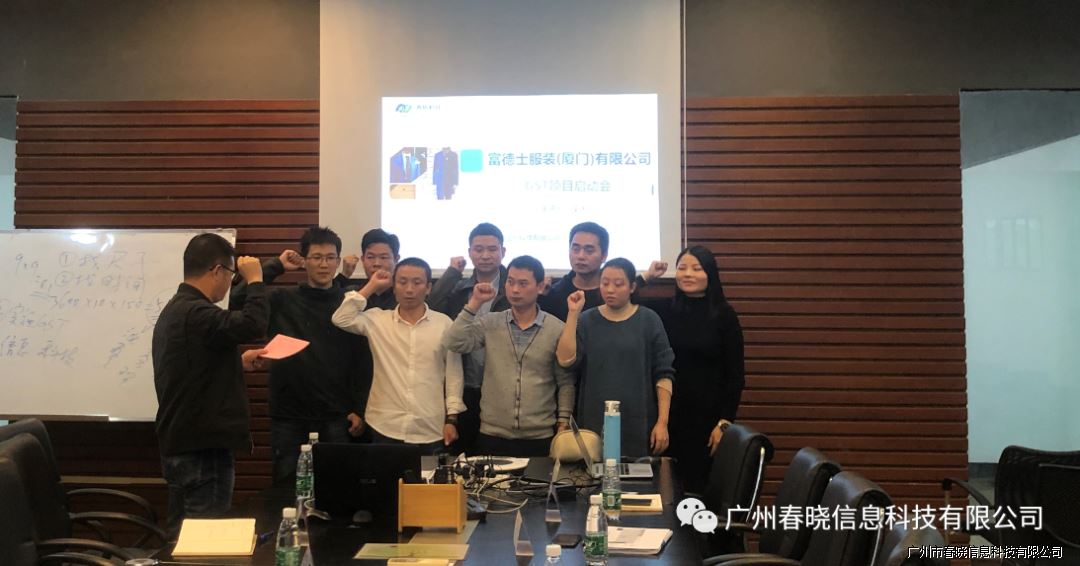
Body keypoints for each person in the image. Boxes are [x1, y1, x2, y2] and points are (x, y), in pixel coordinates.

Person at [152, 233, 268, 537]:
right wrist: (256, 280)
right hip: (204, 451)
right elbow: (253, 324)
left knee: (180, 540)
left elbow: (191, 369)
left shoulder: (175, 310)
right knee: (204, 541)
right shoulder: (198, 312)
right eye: (230, 274)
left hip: (181, 442)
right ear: (217, 271)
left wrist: (237, 362)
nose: (230, 283)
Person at [232, 226, 369, 483]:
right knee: (287, 487)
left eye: (330, 257)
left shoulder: (349, 303)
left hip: (337, 415)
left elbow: (363, 361)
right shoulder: (282, 300)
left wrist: (359, 408)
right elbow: (233, 301)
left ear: (338, 261)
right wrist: (276, 266)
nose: (324, 264)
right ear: (304, 261)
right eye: (316, 257)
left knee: (338, 488)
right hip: (289, 416)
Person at [442, 255, 574, 457]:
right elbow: (454, 341)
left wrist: (563, 422)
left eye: (523, 284)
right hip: (492, 435)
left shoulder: (556, 328)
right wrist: (474, 303)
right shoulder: (490, 322)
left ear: (540, 287)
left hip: (540, 436)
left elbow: (565, 381)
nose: (515, 289)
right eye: (510, 282)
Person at [638, 246, 745, 493]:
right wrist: (647, 276)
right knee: (665, 488)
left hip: (707, 420)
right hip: (666, 415)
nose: (688, 274)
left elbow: (736, 375)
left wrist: (724, 423)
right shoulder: (665, 310)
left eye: (696, 269)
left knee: (697, 489)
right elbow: (624, 297)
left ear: (710, 275)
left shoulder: (724, 316)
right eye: (682, 268)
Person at [332, 258, 464, 453]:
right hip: (384, 424)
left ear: (428, 288)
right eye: (402, 282)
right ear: (393, 287)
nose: (409, 289)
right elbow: (341, 318)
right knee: (385, 474)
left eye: (417, 282)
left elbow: (454, 375)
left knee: (429, 474)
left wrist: (452, 418)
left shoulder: (444, 324)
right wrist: (372, 285)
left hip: (429, 425)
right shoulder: (377, 320)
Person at [556, 258, 675, 457]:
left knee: (638, 474)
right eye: (605, 283)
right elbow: (565, 361)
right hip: (594, 420)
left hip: (638, 421)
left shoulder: (649, 320)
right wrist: (573, 314)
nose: (610, 289)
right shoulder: (586, 320)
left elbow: (664, 374)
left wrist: (662, 422)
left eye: (618, 284)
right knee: (593, 472)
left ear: (632, 287)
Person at [429, 222, 509, 454]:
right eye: (479, 249)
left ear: (503, 251)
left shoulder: (512, 288)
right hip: (465, 385)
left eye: (492, 249)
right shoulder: (459, 288)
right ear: (470, 252)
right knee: (463, 455)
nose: (485, 255)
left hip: (500, 385)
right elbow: (432, 306)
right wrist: (452, 273)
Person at [540, 222, 609, 321]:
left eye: (589, 250)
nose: (581, 256)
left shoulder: (612, 294)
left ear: (604, 255)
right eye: (576, 249)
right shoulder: (554, 294)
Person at [338, 228, 400, 311]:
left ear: (396, 259)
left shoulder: (405, 294)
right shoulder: (351, 293)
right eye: (370, 257)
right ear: (363, 260)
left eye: (383, 257)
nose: (377, 263)